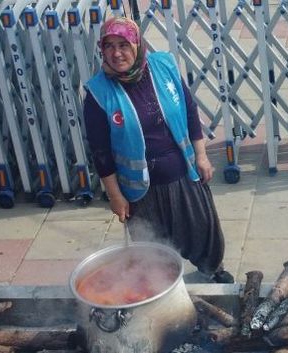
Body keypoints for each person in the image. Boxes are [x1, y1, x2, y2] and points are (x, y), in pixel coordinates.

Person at [82, 17, 233, 283]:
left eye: (123, 45)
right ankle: (163, 289)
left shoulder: (163, 66)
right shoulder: (98, 93)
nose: (116, 53)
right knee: (152, 249)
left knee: (201, 230)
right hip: (140, 191)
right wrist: (115, 196)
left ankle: (213, 271)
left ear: (137, 44)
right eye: (109, 46)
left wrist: (201, 155)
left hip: (182, 175)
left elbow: (189, 110)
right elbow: (101, 152)